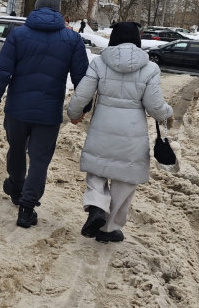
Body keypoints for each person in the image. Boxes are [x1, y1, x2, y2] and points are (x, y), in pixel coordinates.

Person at [0, 0, 88, 228]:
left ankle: (16, 184)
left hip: (16, 110)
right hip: (48, 112)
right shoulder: (72, 40)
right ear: (59, 10)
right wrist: (81, 109)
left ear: (36, 6)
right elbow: (82, 79)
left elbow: (3, 71)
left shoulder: (18, 34)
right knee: (40, 161)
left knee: (17, 148)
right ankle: (26, 208)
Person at [67, 22, 173, 243]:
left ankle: (96, 205)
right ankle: (108, 228)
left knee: (97, 168)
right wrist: (167, 112)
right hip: (132, 134)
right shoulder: (150, 68)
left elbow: (82, 95)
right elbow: (155, 107)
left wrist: (73, 113)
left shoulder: (99, 63)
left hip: (102, 127)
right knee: (125, 179)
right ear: (137, 40)